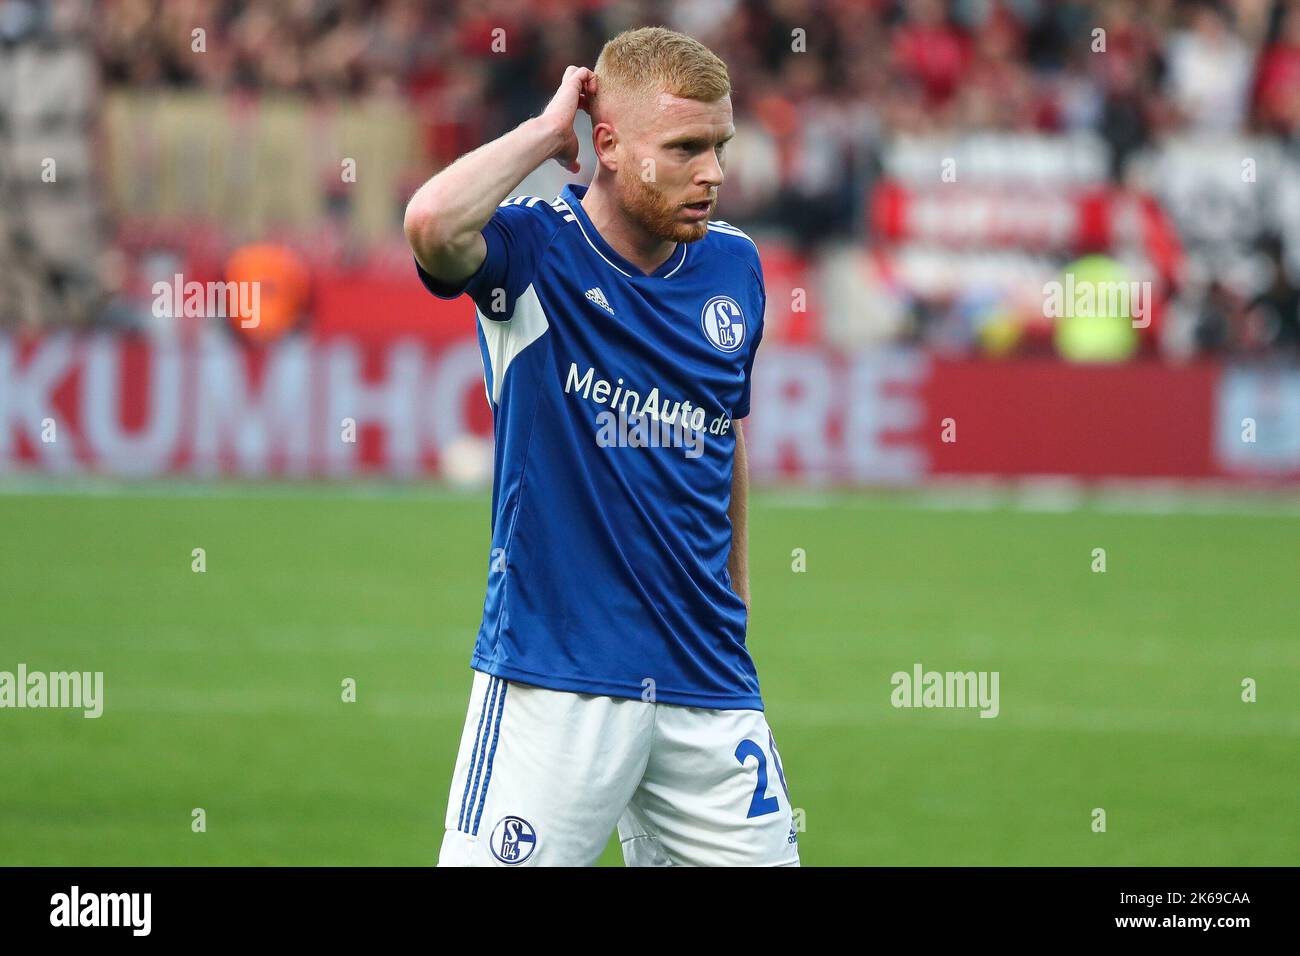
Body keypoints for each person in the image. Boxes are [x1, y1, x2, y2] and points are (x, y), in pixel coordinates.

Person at [404, 26, 797, 867]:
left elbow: (725, 432)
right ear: (608, 146)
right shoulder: (534, 254)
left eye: (720, 145)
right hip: (557, 680)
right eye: (686, 147)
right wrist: (546, 137)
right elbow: (432, 223)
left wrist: (738, 596)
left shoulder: (735, 267)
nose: (714, 173)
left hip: (709, 685)